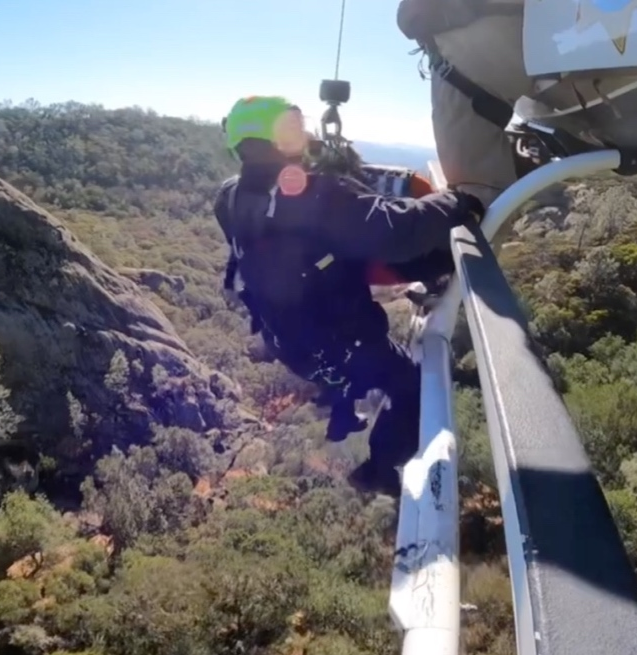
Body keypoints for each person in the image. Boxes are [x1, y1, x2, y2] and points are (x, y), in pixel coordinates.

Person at [213, 95, 484, 496]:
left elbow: (293, 239)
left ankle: (347, 406)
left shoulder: (229, 197)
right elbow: (397, 232)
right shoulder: (316, 197)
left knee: (338, 267)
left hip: (288, 343)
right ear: (281, 136)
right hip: (346, 346)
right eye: (295, 127)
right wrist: (456, 201)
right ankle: (378, 469)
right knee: (413, 388)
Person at [396, 0, 535, 242]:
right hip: (566, 31)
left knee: (474, 192)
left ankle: (483, 252)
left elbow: (411, 17)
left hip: (494, 38)